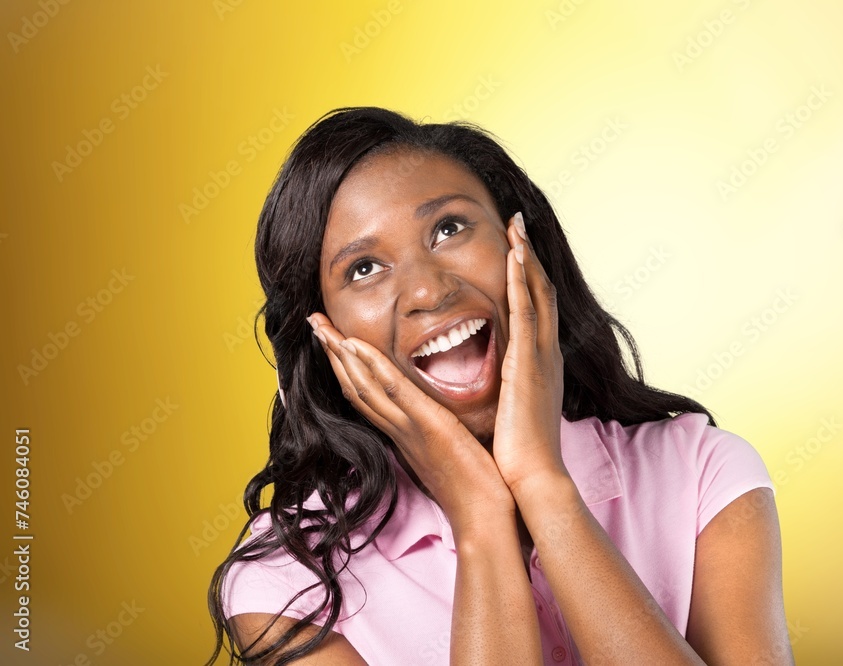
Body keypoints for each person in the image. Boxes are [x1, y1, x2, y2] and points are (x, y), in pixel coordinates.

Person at [205, 106, 794, 665]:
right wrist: (479, 519)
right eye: (364, 268)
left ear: (524, 246)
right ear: (324, 337)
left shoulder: (702, 473)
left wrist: (542, 483)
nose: (428, 291)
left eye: (448, 228)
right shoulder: (287, 582)